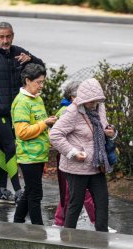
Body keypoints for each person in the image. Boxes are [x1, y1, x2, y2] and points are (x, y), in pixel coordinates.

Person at [0, 21, 44, 204]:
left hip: (17, 111)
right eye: (1, 37)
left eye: (8, 36)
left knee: (4, 149)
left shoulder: (20, 53)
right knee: (11, 147)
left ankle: (1, 190)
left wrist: (30, 59)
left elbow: (41, 70)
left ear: (13, 36)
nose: (5, 40)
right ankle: (17, 190)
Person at [50, 78, 117, 232]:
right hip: (77, 166)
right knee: (75, 203)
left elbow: (103, 128)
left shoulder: (100, 108)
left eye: (96, 101)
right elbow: (55, 134)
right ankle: (69, 238)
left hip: (97, 164)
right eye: (90, 101)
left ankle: (102, 237)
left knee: (102, 201)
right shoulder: (73, 111)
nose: (93, 104)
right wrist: (72, 152)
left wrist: (111, 133)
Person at [11, 63, 57, 225]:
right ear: (27, 80)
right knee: (36, 194)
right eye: (38, 82)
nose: (41, 86)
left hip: (39, 155)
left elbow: (40, 126)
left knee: (29, 191)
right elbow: (22, 132)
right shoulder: (22, 102)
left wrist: (50, 135)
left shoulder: (37, 99)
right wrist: (45, 123)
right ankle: (38, 230)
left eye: (43, 82)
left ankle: (18, 221)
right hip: (28, 156)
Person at [52, 80, 96, 228]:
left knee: (69, 193)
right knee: (81, 193)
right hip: (71, 161)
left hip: (79, 159)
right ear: (72, 97)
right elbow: (55, 135)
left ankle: (59, 221)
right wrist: (72, 151)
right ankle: (96, 222)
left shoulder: (83, 110)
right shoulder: (68, 111)